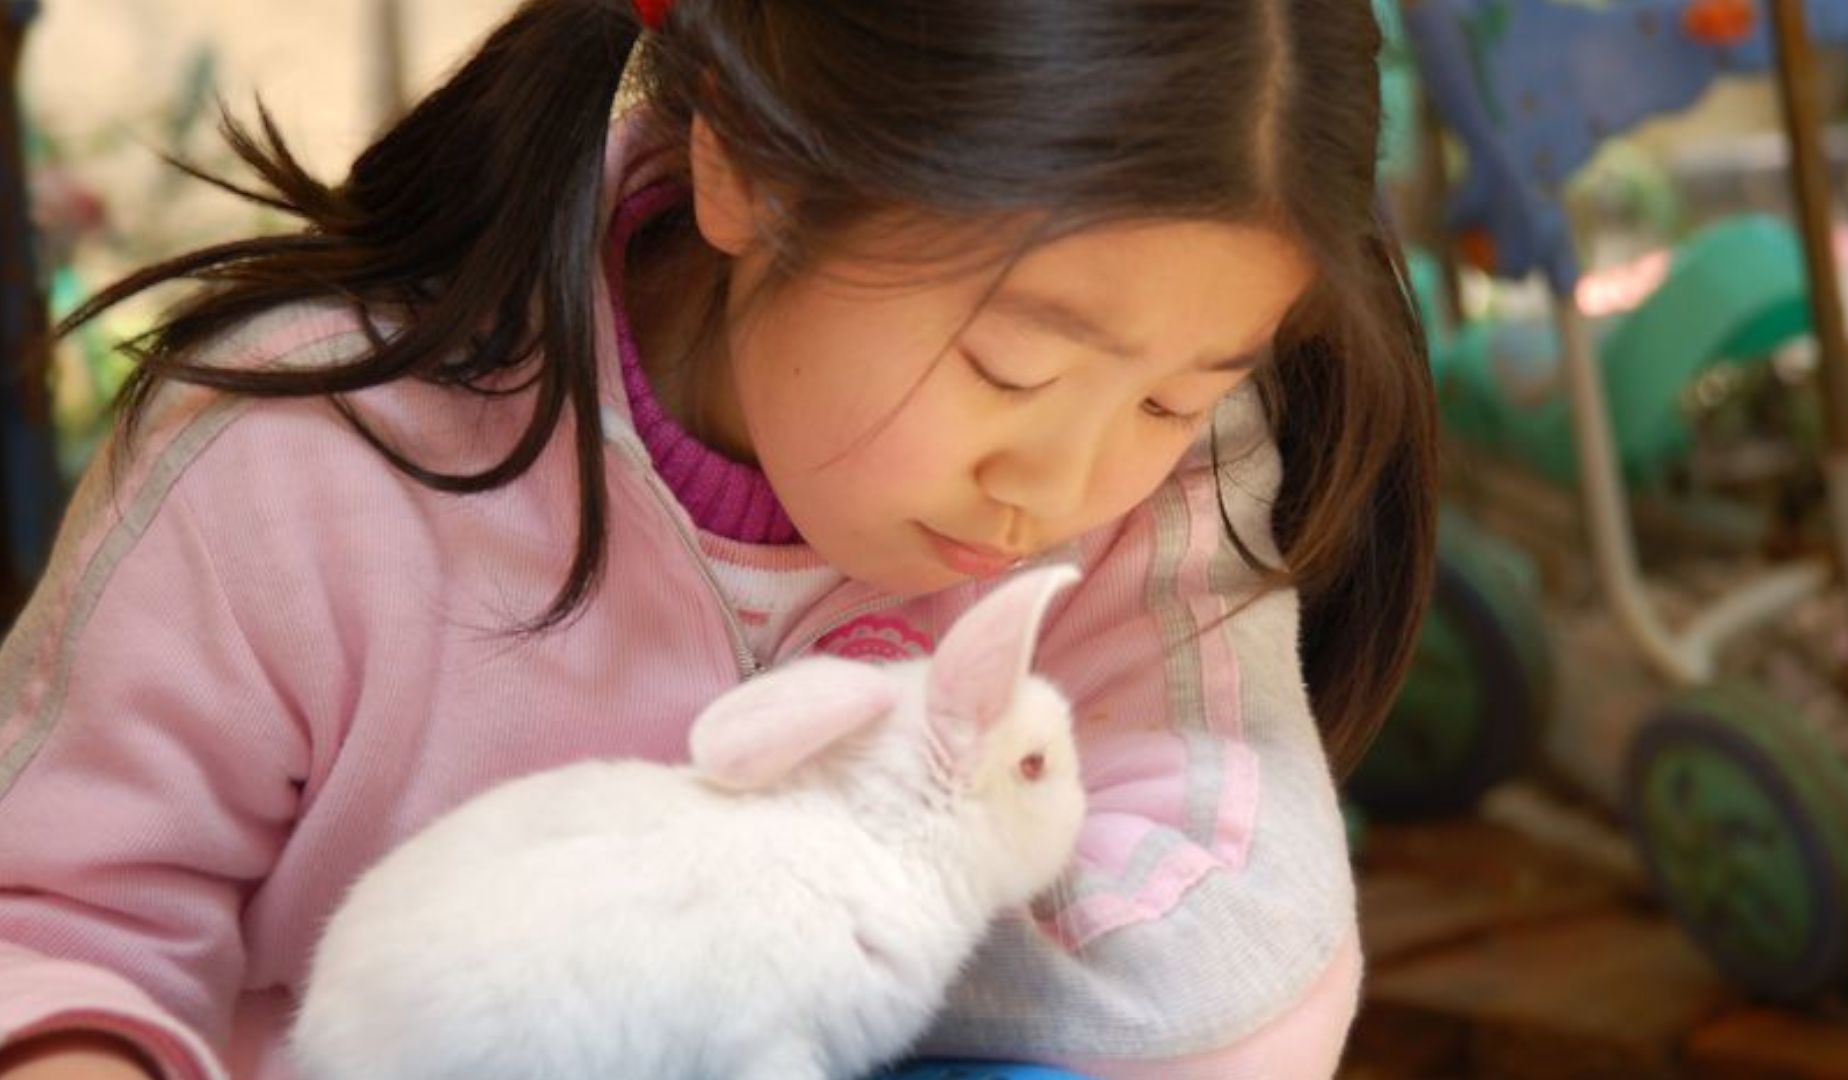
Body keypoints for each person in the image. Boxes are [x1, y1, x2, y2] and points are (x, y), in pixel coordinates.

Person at [0, 0, 1435, 1076]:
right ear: (751, 170)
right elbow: (53, 924)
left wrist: (799, 935)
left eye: (1182, 393)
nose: (1063, 481)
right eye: (1012, 368)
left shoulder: (1147, 502)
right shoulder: (298, 473)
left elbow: (1230, 958)